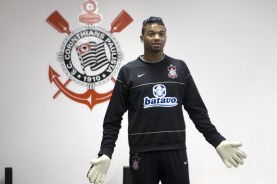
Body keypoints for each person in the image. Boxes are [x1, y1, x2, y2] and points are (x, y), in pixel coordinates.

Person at [87, 16, 247, 184]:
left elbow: (197, 111)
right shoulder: (128, 72)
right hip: (141, 153)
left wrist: (217, 140)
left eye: (161, 34)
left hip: (175, 151)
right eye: (151, 33)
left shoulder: (179, 68)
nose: (156, 37)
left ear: (165, 37)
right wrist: (106, 152)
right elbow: (113, 118)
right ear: (142, 38)